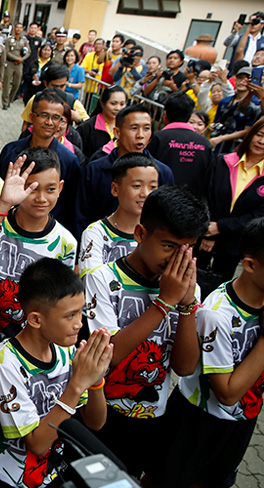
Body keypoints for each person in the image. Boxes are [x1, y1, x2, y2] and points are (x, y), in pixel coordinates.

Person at [83, 184, 208, 479]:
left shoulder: (188, 289)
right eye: (168, 246)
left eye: (186, 249)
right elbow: (109, 356)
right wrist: (164, 302)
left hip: (153, 414)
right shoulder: (103, 279)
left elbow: (185, 366)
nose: (176, 260)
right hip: (103, 413)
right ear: (140, 234)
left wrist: (187, 304)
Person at [0, 258, 113, 487]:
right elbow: (37, 444)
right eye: (70, 315)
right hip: (3, 478)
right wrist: (77, 384)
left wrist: (96, 381)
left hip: (49, 475)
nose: (79, 323)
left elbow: (96, 422)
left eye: (81, 312)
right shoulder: (6, 362)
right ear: (35, 319)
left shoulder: (66, 350)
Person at [0, 148, 79, 414]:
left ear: (60, 188)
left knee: (3, 415)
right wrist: (2, 205)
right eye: (31, 188)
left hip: (27, 344)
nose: (41, 198)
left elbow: (59, 301)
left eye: (49, 189)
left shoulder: (65, 243)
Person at [151, 218, 264, 488]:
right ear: (249, 264)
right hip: (196, 423)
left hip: (241, 422)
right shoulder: (216, 315)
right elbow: (227, 393)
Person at [76, 104, 175, 235]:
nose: (140, 135)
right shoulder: (96, 169)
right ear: (117, 132)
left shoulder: (162, 172)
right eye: (134, 128)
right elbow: (81, 215)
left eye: (146, 129)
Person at [0, 91, 82, 235]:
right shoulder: (11, 150)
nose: (50, 122)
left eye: (56, 118)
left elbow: (71, 205)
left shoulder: (69, 160)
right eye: (44, 116)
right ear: (31, 117)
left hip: (47, 232)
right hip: (6, 226)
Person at [201, 117, 264, 284]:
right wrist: (209, 232)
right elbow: (205, 195)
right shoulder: (222, 161)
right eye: (259, 134)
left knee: (220, 287)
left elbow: (257, 215)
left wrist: (220, 227)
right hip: (202, 235)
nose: (262, 141)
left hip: (236, 245)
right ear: (251, 135)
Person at [78, 154, 159, 277]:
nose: (145, 193)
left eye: (152, 187)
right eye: (137, 186)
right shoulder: (96, 233)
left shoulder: (158, 233)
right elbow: (91, 280)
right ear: (115, 189)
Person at [147, 92, 213, 198]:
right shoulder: (205, 143)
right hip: (191, 202)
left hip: (159, 198)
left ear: (165, 114)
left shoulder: (158, 138)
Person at [20, 65, 91, 131]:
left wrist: (78, 119)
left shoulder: (72, 102)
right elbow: (26, 123)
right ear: (46, 84)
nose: (59, 90)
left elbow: (89, 128)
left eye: (62, 86)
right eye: (55, 86)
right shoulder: (36, 99)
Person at [210, 67, 262, 154]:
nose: (242, 81)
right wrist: (214, 126)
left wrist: (222, 138)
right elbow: (218, 121)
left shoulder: (256, 103)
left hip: (237, 148)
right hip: (218, 145)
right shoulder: (224, 101)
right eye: (240, 78)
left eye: (248, 79)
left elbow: (248, 130)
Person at [75, 85, 127, 161]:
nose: (118, 108)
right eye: (113, 103)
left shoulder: (126, 127)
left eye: (122, 104)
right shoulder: (87, 128)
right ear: (102, 103)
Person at [3, 23, 31, 110]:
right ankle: (5, 102)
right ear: (14, 29)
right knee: (6, 84)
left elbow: (29, 52)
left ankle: (10, 100)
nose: (18, 29)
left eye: (20, 28)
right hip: (10, 63)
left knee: (16, 83)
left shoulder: (24, 40)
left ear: (22, 29)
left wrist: (22, 59)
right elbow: (6, 52)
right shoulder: (9, 39)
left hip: (19, 64)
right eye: (17, 27)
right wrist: (16, 58)